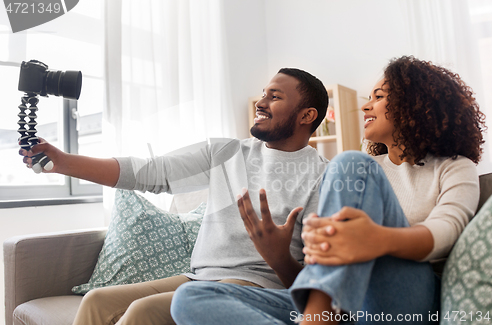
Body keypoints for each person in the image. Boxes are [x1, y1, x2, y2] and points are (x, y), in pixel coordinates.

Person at [170, 55, 487, 325]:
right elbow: (320, 261)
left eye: (379, 96)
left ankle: (318, 317)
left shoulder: (454, 167)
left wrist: (376, 240)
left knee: (348, 163)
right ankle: (320, 315)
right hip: (346, 307)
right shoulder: (366, 170)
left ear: (416, 103)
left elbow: (445, 232)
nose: (365, 106)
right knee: (190, 299)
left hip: (400, 299)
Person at [20, 68, 330, 325]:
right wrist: (63, 162)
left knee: (143, 313)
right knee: (97, 301)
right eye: (263, 93)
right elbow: (150, 173)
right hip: (199, 278)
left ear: (307, 116)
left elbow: (317, 284)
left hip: (259, 288)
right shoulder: (227, 152)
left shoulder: (323, 176)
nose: (260, 102)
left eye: (274, 96)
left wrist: (279, 257)